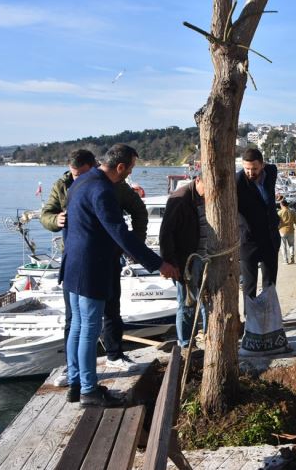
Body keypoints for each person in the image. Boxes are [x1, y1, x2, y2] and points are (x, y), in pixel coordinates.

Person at [59, 144, 178, 406]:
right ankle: (89, 391)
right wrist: (157, 264)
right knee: (89, 329)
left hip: (72, 264)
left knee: (78, 327)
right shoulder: (102, 190)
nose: (130, 173)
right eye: (131, 168)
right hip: (91, 268)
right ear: (121, 167)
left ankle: (76, 384)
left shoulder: (80, 182)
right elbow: (119, 233)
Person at [42, 149, 149, 387]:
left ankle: (102, 362)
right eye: (74, 173)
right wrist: (54, 221)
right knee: (83, 325)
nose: (77, 176)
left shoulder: (107, 186)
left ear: (91, 167)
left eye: (80, 172)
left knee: (105, 314)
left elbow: (137, 212)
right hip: (87, 264)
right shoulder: (88, 187)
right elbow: (117, 229)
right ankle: (84, 384)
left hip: (92, 260)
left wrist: (133, 244)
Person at [159, 172, 208, 348]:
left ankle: (209, 337)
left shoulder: (204, 196)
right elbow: (165, 234)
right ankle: (186, 343)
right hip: (187, 261)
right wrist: (170, 263)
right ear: (198, 181)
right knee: (187, 303)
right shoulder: (179, 199)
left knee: (207, 302)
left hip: (206, 257)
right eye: (207, 187)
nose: (210, 192)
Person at [236, 148, 281, 299]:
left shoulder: (271, 172)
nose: (250, 172)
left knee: (270, 285)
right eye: (247, 168)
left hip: (270, 239)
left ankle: (269, 318)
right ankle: (251, 321)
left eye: (254, 168)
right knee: (249, 287)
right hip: (248, 241)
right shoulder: (237, 182)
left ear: (262, 165)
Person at [277, 198, 296, 264]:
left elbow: (277, 222)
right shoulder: (292, 211)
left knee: (283, 247)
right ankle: (292, 257)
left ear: (282, 205)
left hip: (282, 231)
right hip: (291, 231)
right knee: (291, 245)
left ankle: (286, 261)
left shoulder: (279, 212)